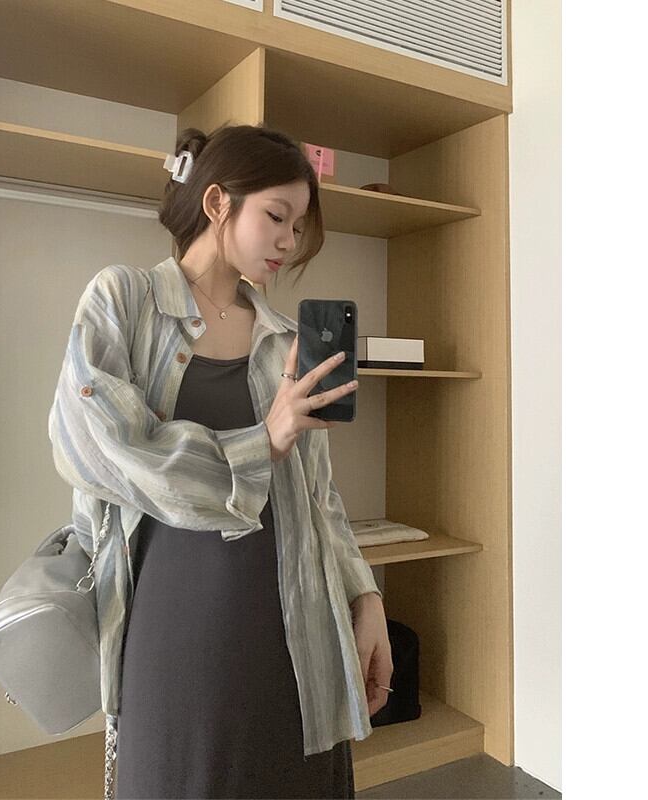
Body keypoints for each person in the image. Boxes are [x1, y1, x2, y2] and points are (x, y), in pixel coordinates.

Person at [48, 123, 393, 799]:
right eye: (277, 216)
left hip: (293, 620)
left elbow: (318, 496)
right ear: (216, 202)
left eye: (299, 225)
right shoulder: (124, 301)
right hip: (170, 618)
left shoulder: (285, 338)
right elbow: (95, 447)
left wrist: (366, 594)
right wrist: (262, 442)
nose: (290, 241)